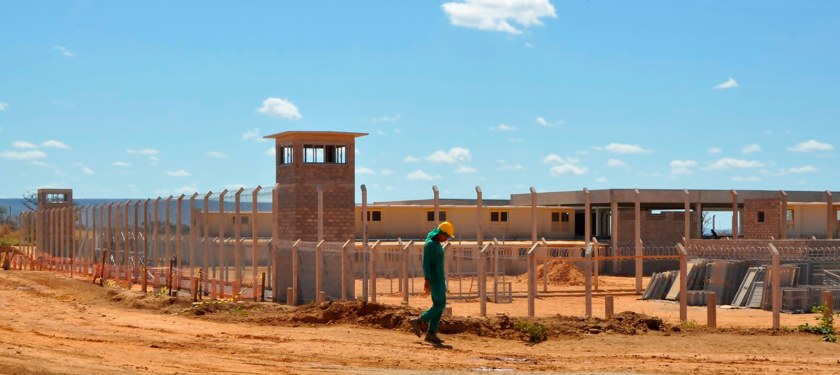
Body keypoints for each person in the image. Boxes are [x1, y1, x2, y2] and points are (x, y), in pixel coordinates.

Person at [409, 221, 454, 344]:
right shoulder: (430, 245)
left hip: (439, 278)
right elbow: (426, 264)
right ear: (440, 233)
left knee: (439, 305)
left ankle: (431, 333)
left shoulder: (436, 242)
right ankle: (419, 320)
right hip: (434, 279)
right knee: (440, 305)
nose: (446, 239)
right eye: (446, 236)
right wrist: (427, 280)